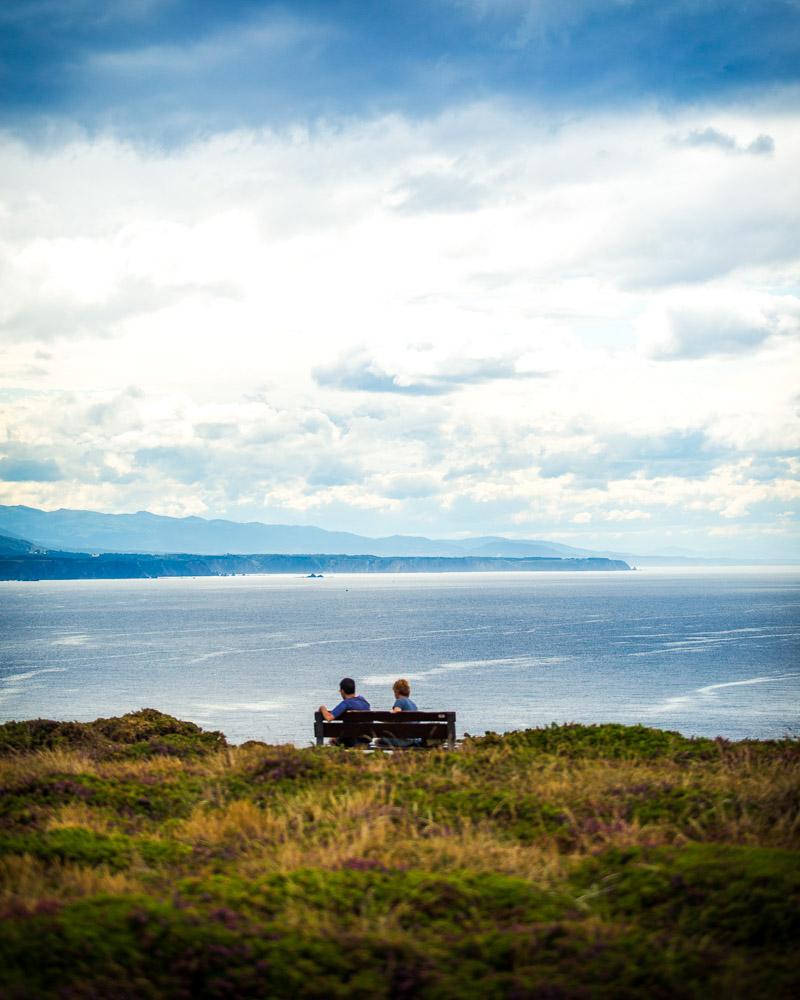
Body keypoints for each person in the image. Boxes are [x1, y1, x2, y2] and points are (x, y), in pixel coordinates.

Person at [318, 678, 371, 746]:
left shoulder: (346, 703)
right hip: (366, 739)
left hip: (352, 741)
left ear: (342, 691)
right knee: (338, 737)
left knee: (333, 740)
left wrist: (322, 708)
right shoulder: (364, 701)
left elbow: (329, 718)